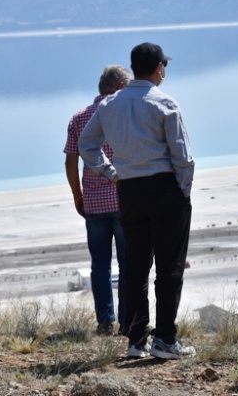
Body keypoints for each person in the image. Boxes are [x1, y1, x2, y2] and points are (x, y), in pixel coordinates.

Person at [79, 42, 196, 360]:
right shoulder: (165, 103)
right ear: (158, 68)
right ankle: (166, 340)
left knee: (136, 268)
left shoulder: (110, 105)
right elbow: (182, 157)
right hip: (164, 190)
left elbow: (86, 144)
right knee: (169, 269)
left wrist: (110, 172)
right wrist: (183, 192)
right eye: (164, 67)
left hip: (128, 190)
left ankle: (136, 341)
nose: (165, 72)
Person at [63, 65, 131, 335]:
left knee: (99, 266)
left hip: (93, 204)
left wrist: (77, 196)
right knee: (128, 265)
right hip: (126, 201)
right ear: (120, 88)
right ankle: (128, 322)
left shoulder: (79, 118)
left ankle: (105, 322)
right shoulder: (126, 113)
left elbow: (70, 161)